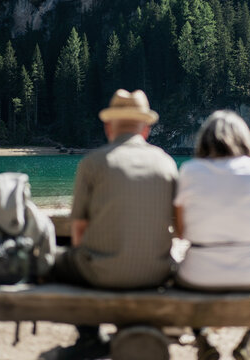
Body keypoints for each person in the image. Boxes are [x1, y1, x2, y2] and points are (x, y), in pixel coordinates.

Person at [49, 89, 178, 359]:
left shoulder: (93, 163)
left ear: (109, 126)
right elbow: (178, 227)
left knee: (57, 260)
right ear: (146, 129)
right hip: (156, 273)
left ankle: (89, 338)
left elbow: (79, 230)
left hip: (102, 273)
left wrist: (88, 259)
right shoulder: (167, 164)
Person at [174, 110, 250, 360]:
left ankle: (202, 337)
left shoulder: (189, 170)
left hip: (199, 273)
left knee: (174, 286)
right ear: (244, 139)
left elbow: (181, 231)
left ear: (204, 140)